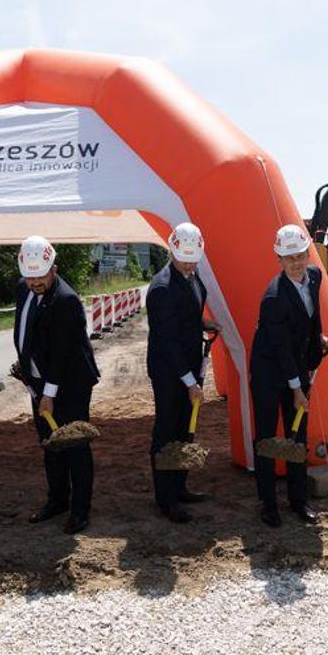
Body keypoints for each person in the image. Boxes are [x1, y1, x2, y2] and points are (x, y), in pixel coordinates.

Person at [14, 236, 100, 534]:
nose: (34, 282)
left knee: (75, 446)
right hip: (40, 383)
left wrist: (49, 394)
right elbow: (26, 333)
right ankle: (57, 500)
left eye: (40, 276)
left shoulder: (67, 300)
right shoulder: (23, 290)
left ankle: (80, 511)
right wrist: (27, 371)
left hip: (70, 385)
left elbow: (63, 353)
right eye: (29, 276)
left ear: (54, 269)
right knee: (50, 445)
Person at [249, 223, 328, 527]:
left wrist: (318, 340)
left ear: (307, 253)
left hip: (296, 365)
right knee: (268, 438)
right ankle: (268, 504)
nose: (296, 263)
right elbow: (281, 350)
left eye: (300, 255)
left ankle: (299, 501)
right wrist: (298, 390)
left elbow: (312, 318)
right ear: (279, 260)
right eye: (289, 258)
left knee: (297, 437)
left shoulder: (315, 276)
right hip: (269, 372)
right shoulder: (273, 298)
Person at [145, 222, 222, 523]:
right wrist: (190, 382)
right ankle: (165, 499)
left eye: (194, 257)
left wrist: (205, 324)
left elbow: (186, 315)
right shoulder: (162, 287)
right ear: (172, 250)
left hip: (190, 365)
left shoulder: (192, 275)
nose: (189, 262)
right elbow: (167, 341)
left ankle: (180, 487)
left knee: (184, 429)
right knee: (167, 431)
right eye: (184, 257)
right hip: (169, 370)